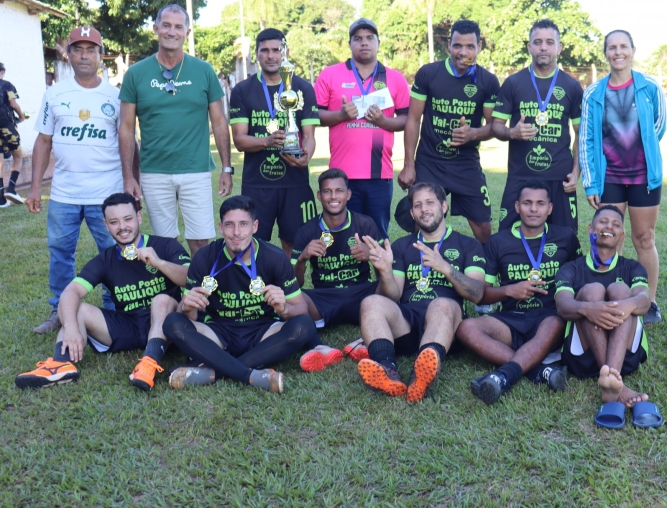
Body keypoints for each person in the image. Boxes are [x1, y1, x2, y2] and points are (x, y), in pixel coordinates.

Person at [15, 193, 189, 391]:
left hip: (166, 326)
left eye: (128, 219)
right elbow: (70, 292)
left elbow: (190, 278)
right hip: (129, 325)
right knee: (75, 309)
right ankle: (60, 365)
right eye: (114, 222)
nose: (122, 227)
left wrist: (159, 263)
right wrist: (71, 327)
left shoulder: (165, 245)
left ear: (139, 218)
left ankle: (148, 364)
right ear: (106, 225)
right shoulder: (106, 259)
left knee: (162, 300)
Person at [162, 195, 333, 393]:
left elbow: (302, 309)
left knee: (303, 325)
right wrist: (187, 307)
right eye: (229, 225)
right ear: (220, 227)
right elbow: (188, 316)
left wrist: (284, 308)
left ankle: (215, 372)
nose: (236, 232)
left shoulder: (274, 257)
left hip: (262, 332)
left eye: (243, 224)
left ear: (255, 226)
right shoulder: (204, 257)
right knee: (172, 322)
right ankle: (249, 374)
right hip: (217, 332)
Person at [25, 27, 130, 334]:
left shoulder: (116, 96)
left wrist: (130, 180)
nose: (85, 55)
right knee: (60, 253)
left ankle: (116, 310)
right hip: (64, 193)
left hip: (106, 192)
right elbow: (43, 142)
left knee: (114, 252)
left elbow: (128, 140)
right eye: (78, 49)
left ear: (101, 56)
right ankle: (60, 310)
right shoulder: (55, 93)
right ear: (68, 55)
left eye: (91, 50)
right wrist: (34, 188)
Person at [118, 4, 233, 257]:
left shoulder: (204, 70)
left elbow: (219, 122)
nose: (172, 31)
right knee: (165, 244)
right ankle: (173, 297)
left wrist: (226, 167)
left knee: (201, 242)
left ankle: (202, 294)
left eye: (179, 26)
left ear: (187, 32)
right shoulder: (136, 74)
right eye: (166, 25)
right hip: (154, 172)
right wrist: (129, 177)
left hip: (196, 170)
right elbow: (126, 128)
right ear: (155, 29)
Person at [357, 182, 486, 402]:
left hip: (445, 327)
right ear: (412, 213)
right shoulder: (401, 246)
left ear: (444, 206)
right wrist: (386, 272)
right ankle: (387, 371)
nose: (424, 209)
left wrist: (445, 267)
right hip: (408, 323)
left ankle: (421, 376)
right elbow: (393, 296)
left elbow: (476, 293)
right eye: (418, 205)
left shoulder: (468, 245)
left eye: (430, 203)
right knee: (370, 302)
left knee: (442, 304)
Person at [456, 181, 582, 404]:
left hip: (549, 317)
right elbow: (482, 295)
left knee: (556, 323)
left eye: (540, 203)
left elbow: (580, 281)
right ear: (517, 207)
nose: (534, 209)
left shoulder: (565, 237)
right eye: (527, 203)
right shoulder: (498, 241)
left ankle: (504, 376)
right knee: (467, 327)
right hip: (511, 320)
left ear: (550, 208)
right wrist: (509, 290)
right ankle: (539, 371)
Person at [579, 30, 666, 324]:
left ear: (632, 50)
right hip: (610, 178)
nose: (618, 52)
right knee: (608, 238)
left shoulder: (650, 87)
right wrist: (591, 181)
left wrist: (644, 154)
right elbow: (587, 141)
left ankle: (649, 302)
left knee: (644, 238)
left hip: (644, 178)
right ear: (605, 53)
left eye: (623, 46)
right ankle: (608, 295)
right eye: (612, 47)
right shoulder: (593, 93)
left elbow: (658, 126)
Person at [399, 20, 501, 243]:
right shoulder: (429, 73)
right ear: (448, 45)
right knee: (421, 222)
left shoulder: (488, 81)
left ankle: (485, 274)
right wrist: (409, 164)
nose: (463, 52)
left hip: (466, 163)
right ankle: (420, 271)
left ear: (479, 47)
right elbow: (413, 119)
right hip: (430, 161)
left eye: (470, 46)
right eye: (457, 46)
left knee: (484, 228)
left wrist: (473, 134)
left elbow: (494, 126)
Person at [314, 17, 411, 237]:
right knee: (344, 237)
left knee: (377, 237)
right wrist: (340, 115)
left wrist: (383, 122)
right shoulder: (330, 74)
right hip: (341, 177)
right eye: (358, 39)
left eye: (369, 38)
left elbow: (408, 119)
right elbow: (315, 116)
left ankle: (380, 273)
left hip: (379, 175)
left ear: (378, 43)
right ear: (350, 44)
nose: (364, 43)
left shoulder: (395, 78)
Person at [229, 28, 319, 257]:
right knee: (253, 245)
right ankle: (257, 290)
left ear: (285, 52)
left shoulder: (303, 88)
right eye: (264, 50)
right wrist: (268, 140)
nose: (271, 56)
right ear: (256, 54)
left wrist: (306, 156)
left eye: (276, 50)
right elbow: (239, 140)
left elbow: (308, 135)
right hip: (257, 184)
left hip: (294, 182)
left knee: (295, 245)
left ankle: (291, 291)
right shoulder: (242, 90)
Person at [555, 205, 654, 410]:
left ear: (622, 236)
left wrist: (627, 304)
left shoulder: (633, 267)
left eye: (616, 224)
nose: (609, 226)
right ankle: (614, 383)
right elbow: (563, 305)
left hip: (627, 357)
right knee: (592, 291)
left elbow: (644, 301)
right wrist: (589, 308)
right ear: (590, 229)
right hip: (582, 358)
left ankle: (610, 380)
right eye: (603, 222)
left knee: (620, 290)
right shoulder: (571, 268)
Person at [491, 19, 583, 233]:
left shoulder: (572, 86)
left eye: (550, 42)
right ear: (529, 47)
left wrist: (576, 172)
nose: (543, 47)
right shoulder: (513, 83)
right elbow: (496, 126)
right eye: (538, 42)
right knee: (509, 238)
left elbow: (581, 135)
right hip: (520, 176)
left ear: (559, 48)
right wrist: (512, 132)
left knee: (565, 241)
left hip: (559, 179)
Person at [291, 168, 383, 363]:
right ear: (319, 195)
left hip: (361, 294)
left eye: (339, 191)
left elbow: (384, 276)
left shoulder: (366, 224)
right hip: (324, 297)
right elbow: (294, 285)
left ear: (348, 194)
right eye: (327, 191)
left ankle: (364, 342)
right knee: (290, 300)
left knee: (394, 288)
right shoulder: (306, 231)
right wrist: (302, 259)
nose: (333, 196)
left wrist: (372, 255)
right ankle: (318, 347)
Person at [0, 61, 26, 207]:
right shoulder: (7, 84)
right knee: (17, 157)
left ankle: (1, 199)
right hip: (6, 125)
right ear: (2, 72)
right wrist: (21, 117)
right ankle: (11, 189)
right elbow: (13, 104)